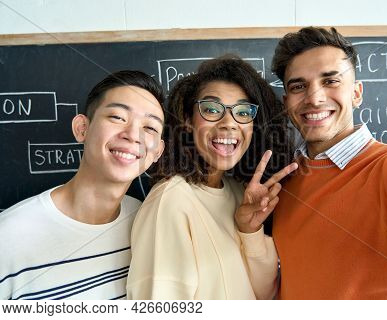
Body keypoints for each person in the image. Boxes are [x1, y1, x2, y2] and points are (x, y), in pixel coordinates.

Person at [263, 26, 387, 299]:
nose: (314, 97)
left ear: (357, 93)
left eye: (331, 81)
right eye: (299, 86)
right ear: (286, 102)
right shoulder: (281, 185)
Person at [127, 55, 297, 300]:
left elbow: (264, 294)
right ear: (187, 120)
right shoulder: (171, 201)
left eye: (243, 111)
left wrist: (250, 231)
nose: (229, 123)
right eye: (211, 109)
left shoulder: (240, 194)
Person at [0, 70, 166, 300]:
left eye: (150, 128)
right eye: (118, 117)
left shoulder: (144, 221)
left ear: (157, 151)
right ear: (82, 128)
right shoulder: (9, 237)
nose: (133, 135)